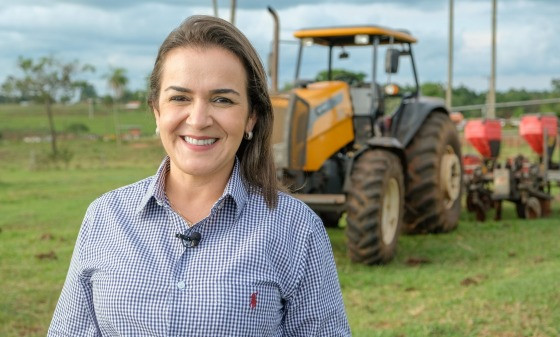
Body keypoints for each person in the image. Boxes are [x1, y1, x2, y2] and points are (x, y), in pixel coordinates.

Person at [48, 15, 350, 336]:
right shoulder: (104, 218)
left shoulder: (297, 230)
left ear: (251, 118)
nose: (198, 119)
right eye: (180, 98)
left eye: (222, 99)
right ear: (157, 111)